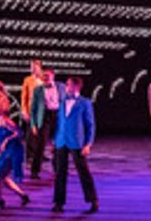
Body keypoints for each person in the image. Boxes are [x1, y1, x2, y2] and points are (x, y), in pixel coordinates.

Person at [52, 75, 98, 213]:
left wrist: (88, 144)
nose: (66, 87)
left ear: (76, 86)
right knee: (60, 172)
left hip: (77, 142)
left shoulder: (85, 102)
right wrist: (55, 139)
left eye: (69, 84)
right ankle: (58, 202)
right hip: (62, 140)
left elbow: (90, 125)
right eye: (66, 85)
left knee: (83, 172)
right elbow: (59, 123)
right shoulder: (62, 101)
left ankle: (93, 200)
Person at [0, 91, 30, 210]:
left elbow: (19, 132)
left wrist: (7, 140)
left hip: (11, 150)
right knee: (1, 176)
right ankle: (22, 196)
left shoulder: (5, 120)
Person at [27, 69, 59, 179]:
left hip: (58, 116)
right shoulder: (38, 90)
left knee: (59, 144)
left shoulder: (61, 87)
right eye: (43, 76)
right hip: (44, 117)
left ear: (53, 76)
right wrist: (33, 124)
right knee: (40, 145)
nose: (45, 78)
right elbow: (33, 109)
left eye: (47, 76)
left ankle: (58, 169)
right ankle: (35, 171)